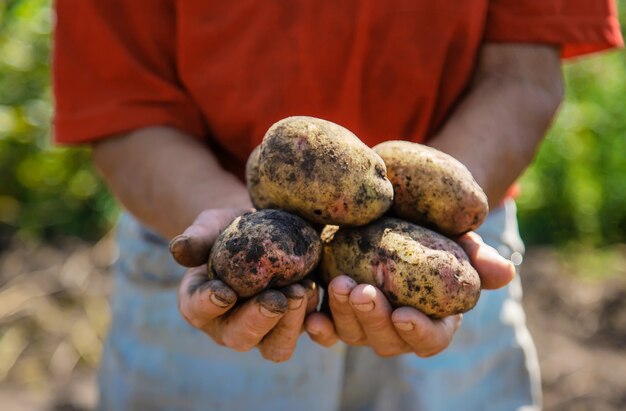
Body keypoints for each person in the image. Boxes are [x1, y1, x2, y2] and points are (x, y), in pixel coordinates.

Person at [53, 1, 622, 410]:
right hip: (197, 229)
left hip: (451, 244)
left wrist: (441, 219)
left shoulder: (422, 226)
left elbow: (521, 76)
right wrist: (223, 211)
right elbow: (120, 103)